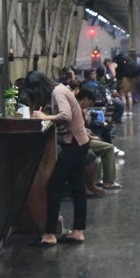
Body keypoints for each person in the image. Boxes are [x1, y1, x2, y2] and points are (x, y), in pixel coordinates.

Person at [25, 72, 91, 246]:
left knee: (54, 185)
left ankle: (50, 233)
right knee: (77, 187)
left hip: (75, 144)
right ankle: (78, 231)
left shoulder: (58, 92)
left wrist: (45, 117)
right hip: (78, 143)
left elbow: (66, 115)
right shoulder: (58, 91)